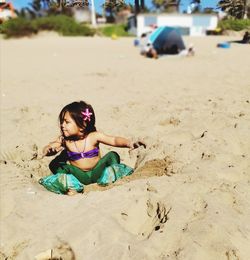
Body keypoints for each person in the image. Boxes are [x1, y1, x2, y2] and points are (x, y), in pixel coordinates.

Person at [39, 101, 146, 195]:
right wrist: (48, 150)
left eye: (67, 122)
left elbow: (113, 140)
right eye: (62, 121)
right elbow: (52, 146)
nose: (62, 125)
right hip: (79, 176)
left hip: (97, 172)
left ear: (82, 125)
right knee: (55, 164)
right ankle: (72, 186)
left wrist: (129, 143)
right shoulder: (65, 140)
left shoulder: (93, 136)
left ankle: (109, 178)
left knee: (112, 155)